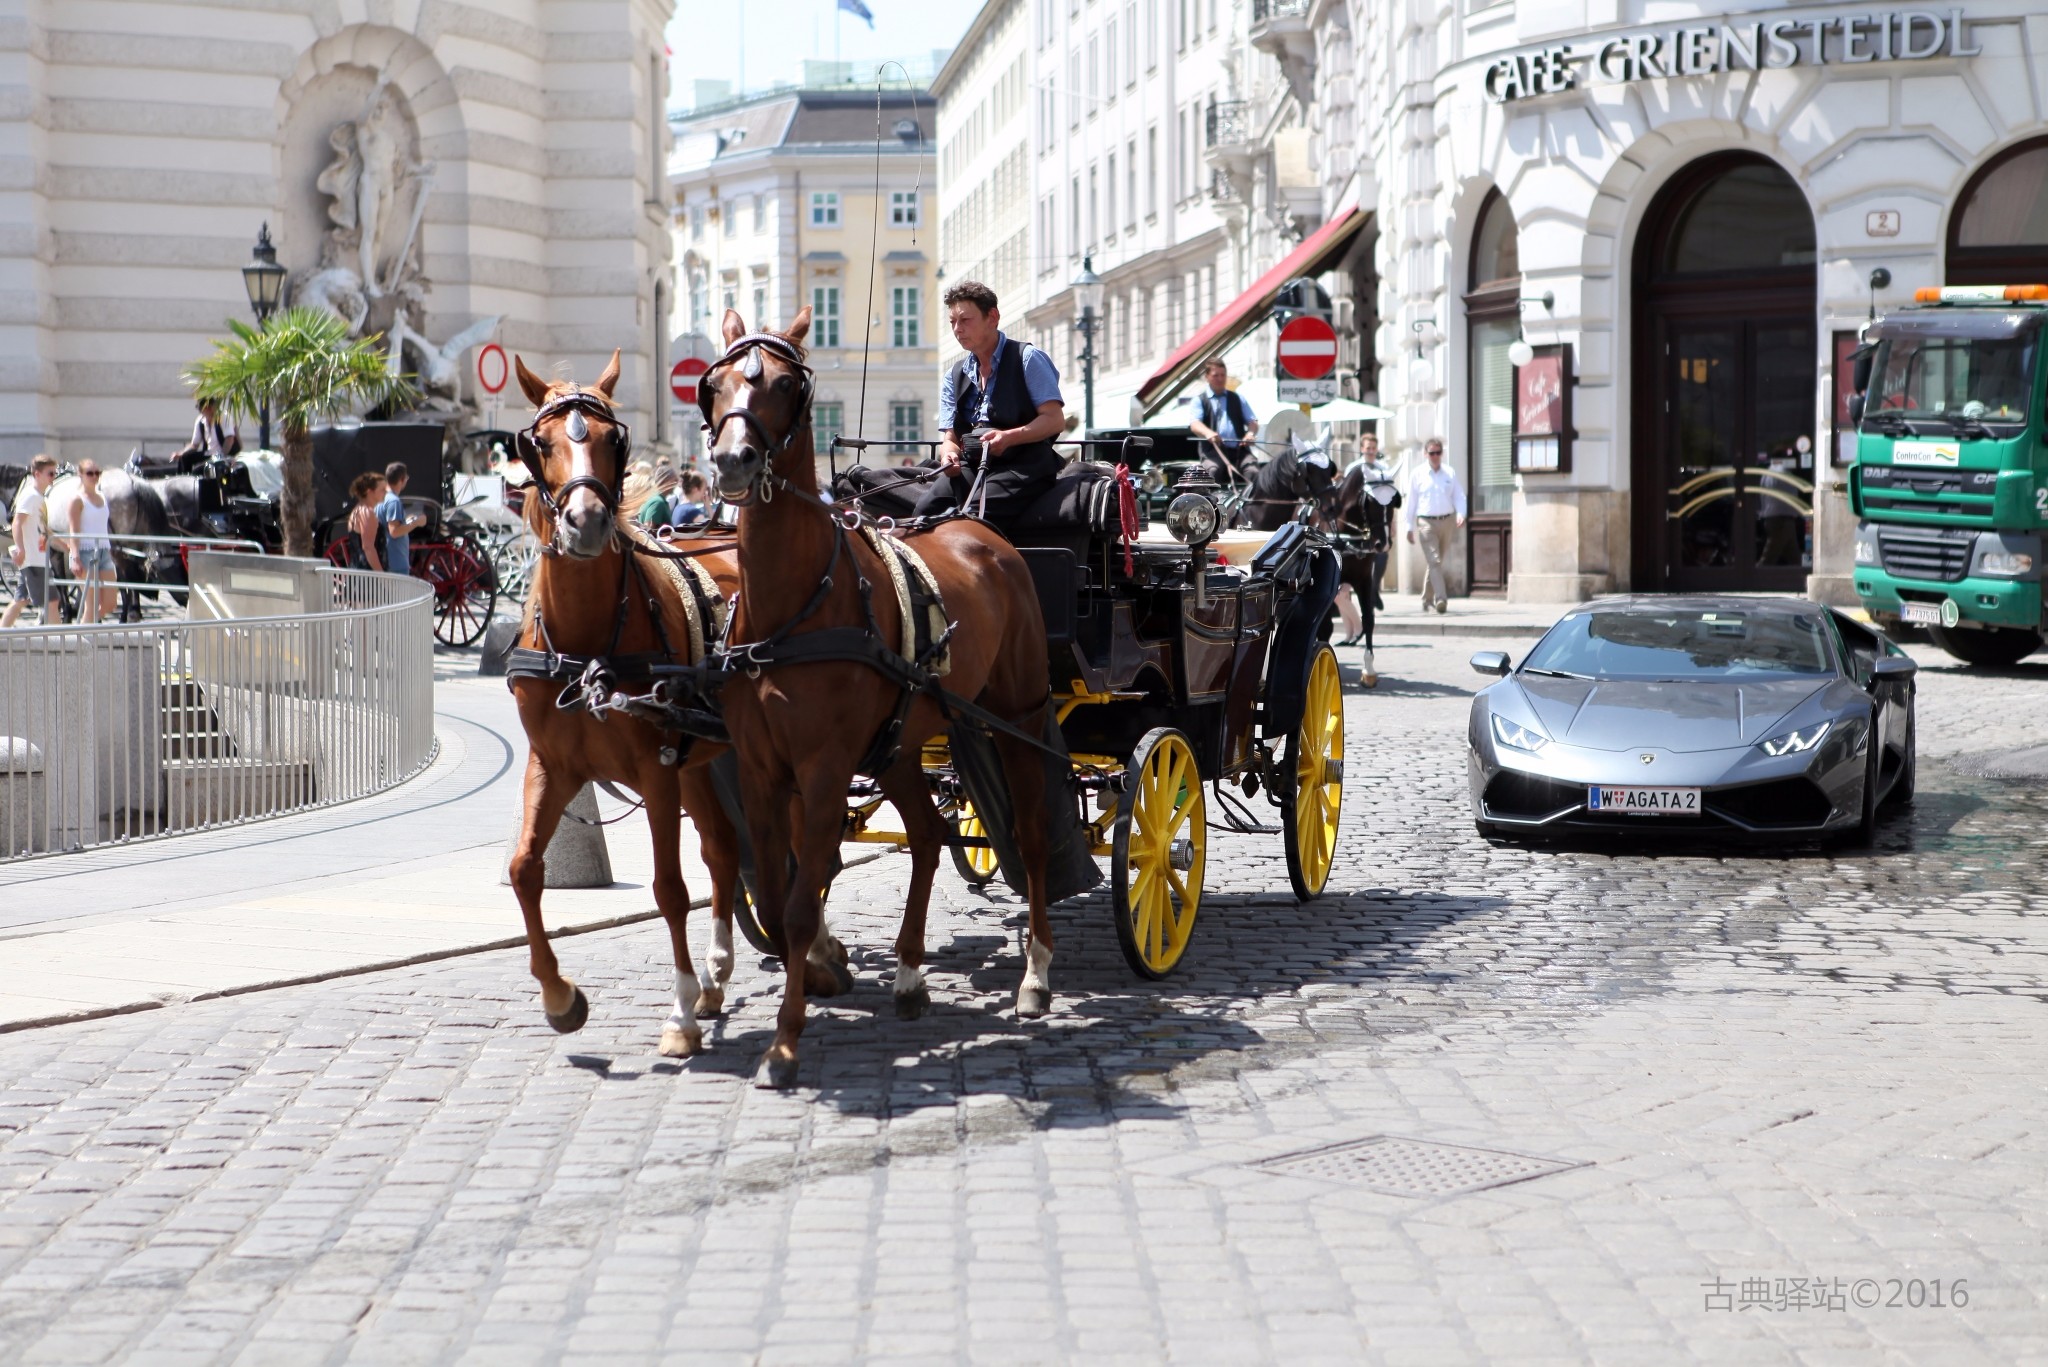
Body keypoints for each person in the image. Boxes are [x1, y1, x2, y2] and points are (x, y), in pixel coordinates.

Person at [911, 280, 1066, 524]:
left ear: (992, 317)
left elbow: (1054, 420)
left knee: (975, 515)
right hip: (973, 464)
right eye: (952, 322)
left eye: (965, 320)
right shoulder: (955, 374)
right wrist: (948, 457)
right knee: (924, 512)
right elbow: (950, 438)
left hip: (1024, 466)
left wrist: (1008, 438)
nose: (957, 329)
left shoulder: (1026, 358)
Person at [1403, 438, 1466, 615]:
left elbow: (1459, 496)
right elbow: (1411, 502)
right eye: (1432, 453)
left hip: (1447, 520)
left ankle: (1426, 598)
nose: (1435, 456)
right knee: (1435, 560)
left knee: (1435, 563)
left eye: (1438, 452)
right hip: (1425, 522)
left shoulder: (1449, 473)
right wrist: (1409, 526)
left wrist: (1461, 514)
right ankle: (1441, 598)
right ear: (1425, 454)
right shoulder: (1417, 474)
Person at [1186, 359, 1259, 485]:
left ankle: (1251, 504)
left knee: (1253, 471)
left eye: (1223, 375)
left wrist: (1250, 433)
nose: (1220, 379)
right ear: (1207, 377)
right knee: (1213, 471)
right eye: (1215, 375)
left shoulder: (1237, 398)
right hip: (1213, 452)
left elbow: (1253, 422)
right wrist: (1208, 433)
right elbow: (1195, 424)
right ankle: (1213, 504)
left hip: (1239, 452)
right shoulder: (1199, 400)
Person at [3, 454, 56, 628]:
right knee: (52, 602)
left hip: (37, 558)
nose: (53, 478)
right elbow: (17, 522)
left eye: (54, 473)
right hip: (33, 560)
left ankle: (2, 632)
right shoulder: (30, 496)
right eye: (50, 473)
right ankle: (64, 642)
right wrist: (20, 548)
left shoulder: (40, 498)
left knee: (21, 600)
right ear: (37, 474)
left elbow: (43, 529)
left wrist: (65, 545)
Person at [65, 461, 117, 624]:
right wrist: (75, 557)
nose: (94, 476)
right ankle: (83, 641)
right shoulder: (76, 499)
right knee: (91, 604)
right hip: (85, 552)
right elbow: (73, 530)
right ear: (80, 474)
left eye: (97, 473)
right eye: (90, 473)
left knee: (110, 603)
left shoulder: (101, 496)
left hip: (103, 550)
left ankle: (86, 628)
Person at [378, 461, 426, 577]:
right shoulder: (394, 501)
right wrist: (416, 522)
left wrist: (407, 520)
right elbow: (394, 531)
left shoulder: (381, 498)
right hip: (396, 562)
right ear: (401, 480)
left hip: (385, 559)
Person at [344, 471, 389, 573]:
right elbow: (368, 547)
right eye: (382, 490)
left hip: (357, 570)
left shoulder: (357, 510)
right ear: (370, 492)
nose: (386, 493)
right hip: (368, 576)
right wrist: (382, 575)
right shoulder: (367, 512)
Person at [636, 464, 680, 529]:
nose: (676, 483)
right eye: (675, 480)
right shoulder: (657, 502)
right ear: (665, 480)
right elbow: (648, 530)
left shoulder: (654, 498)